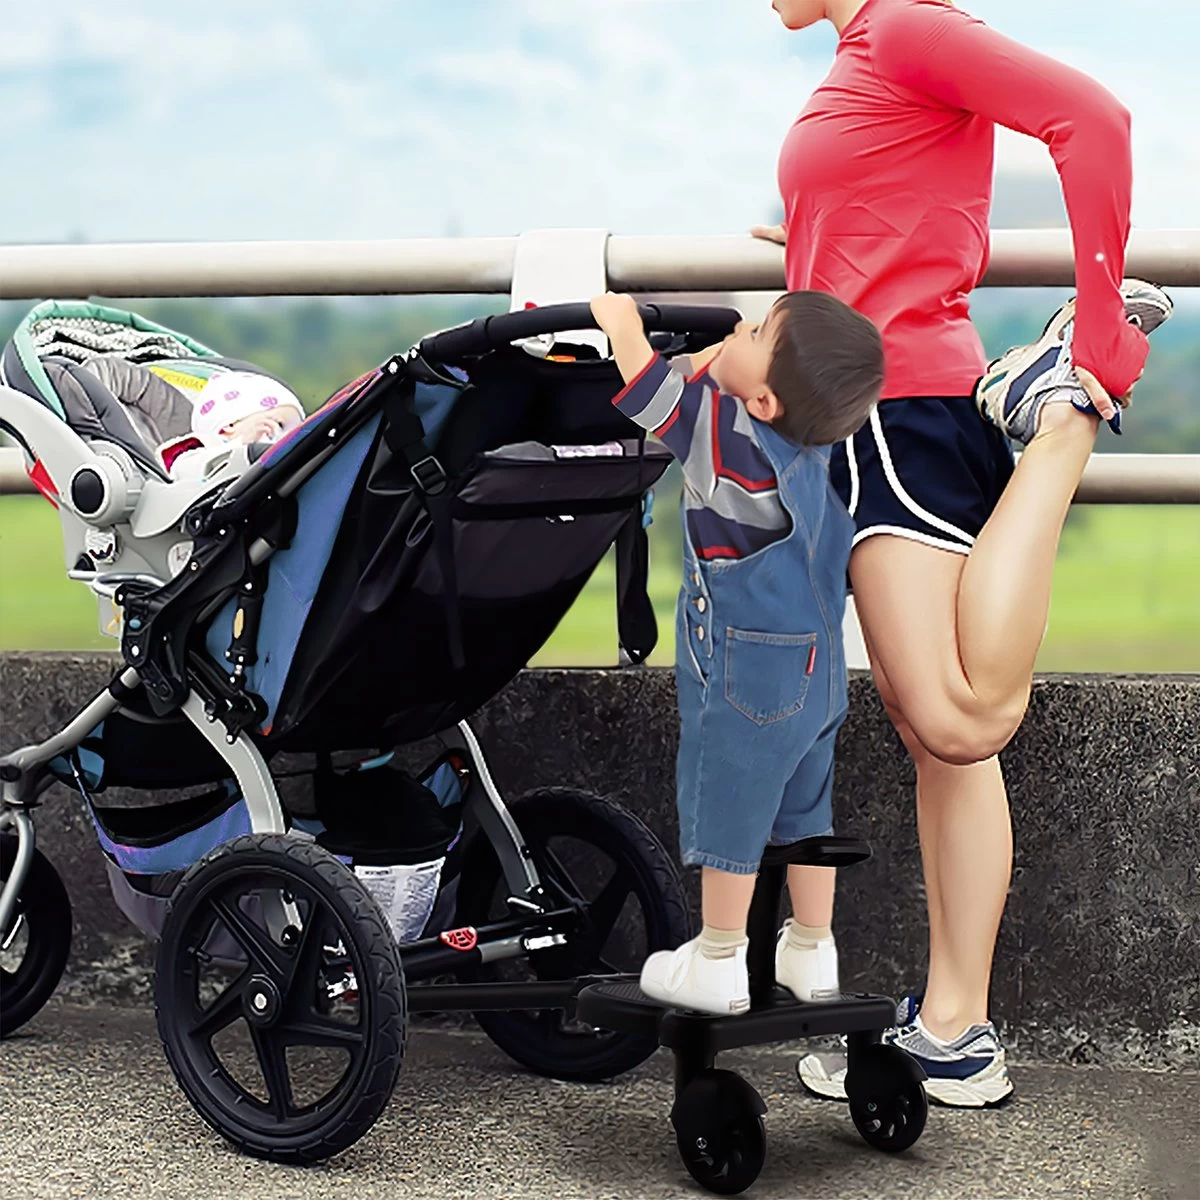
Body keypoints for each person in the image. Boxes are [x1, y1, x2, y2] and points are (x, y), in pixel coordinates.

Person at [755, 0, 1171, 1105]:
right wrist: (807, 249)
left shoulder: (900, 25)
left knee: (959, 715)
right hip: (865, 409)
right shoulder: (861, 56)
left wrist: (1096, 328)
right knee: (940, 743)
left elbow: (1094, 117)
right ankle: (956, 1028)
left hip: (901, 411)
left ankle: (1065, 409)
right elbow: (901, 213)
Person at [590, 289, 883, 1015]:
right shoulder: (822, 455)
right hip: (819, 674)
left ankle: (719, 957)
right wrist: (719, 358)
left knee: (733, 808)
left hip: (748, 675)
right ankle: (813, 948)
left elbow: (652, 396)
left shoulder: (725, 436)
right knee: (805, 813)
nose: (737, 329)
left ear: (763, 400)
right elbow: (711, 379)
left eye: (754, 330)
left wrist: (621, 321)